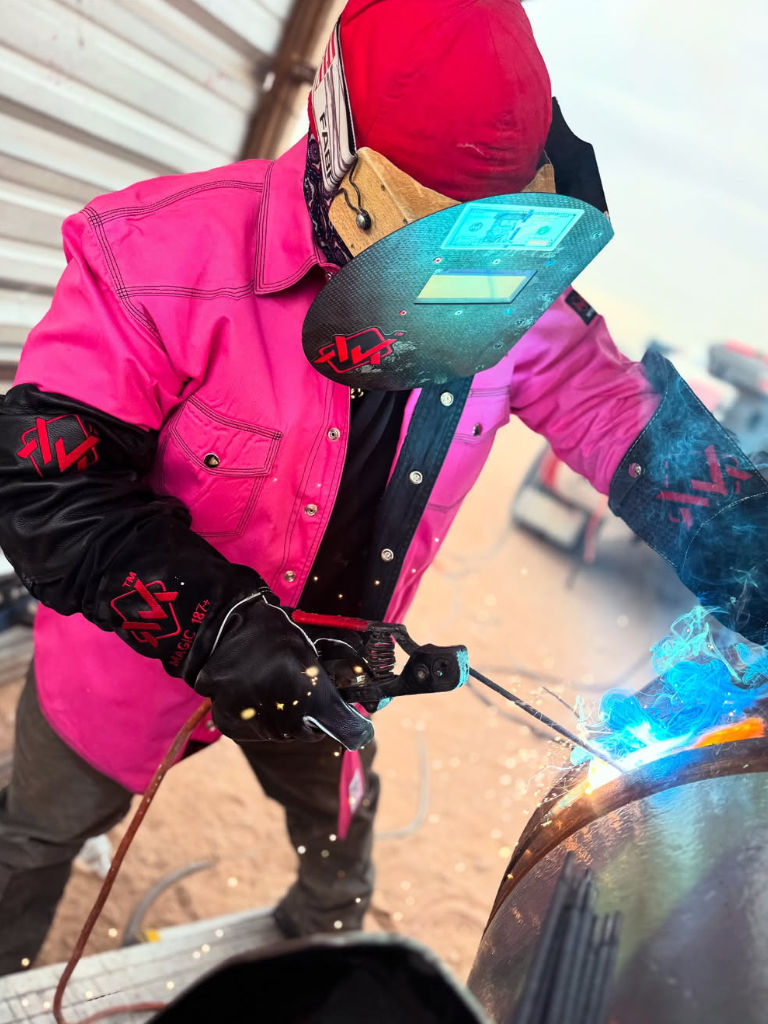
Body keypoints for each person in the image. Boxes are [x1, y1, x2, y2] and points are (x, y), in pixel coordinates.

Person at [0, 0, 766, 977]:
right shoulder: (154, 256)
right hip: (134, 667)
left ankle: (322, 951)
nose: (463, 290)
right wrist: (211, 624)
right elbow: (47, 485)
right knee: (35, 835)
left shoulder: (501, 280)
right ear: (340, 153)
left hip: (331, 677)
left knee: (336, 862)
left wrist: (749, 543)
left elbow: (619, 414)